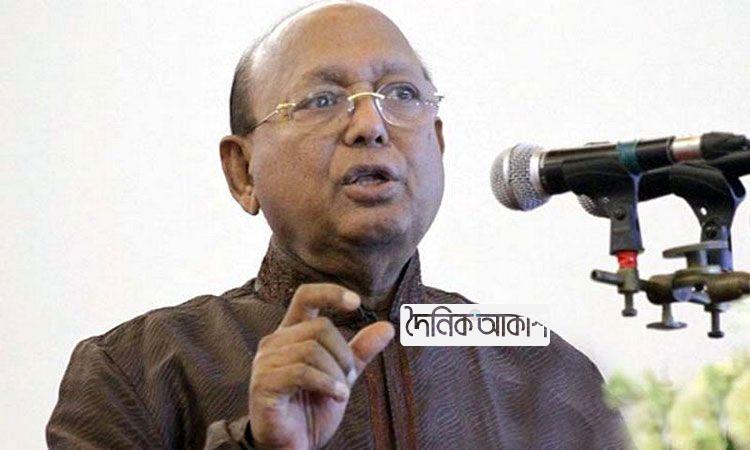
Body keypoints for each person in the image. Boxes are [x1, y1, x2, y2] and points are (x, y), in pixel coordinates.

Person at [47, 2, 629, 449]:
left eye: (401, 94)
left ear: (439, 144)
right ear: (242, 171)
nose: (370, 124)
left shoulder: (550, 370)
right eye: (322, 100)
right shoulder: (135, 372)